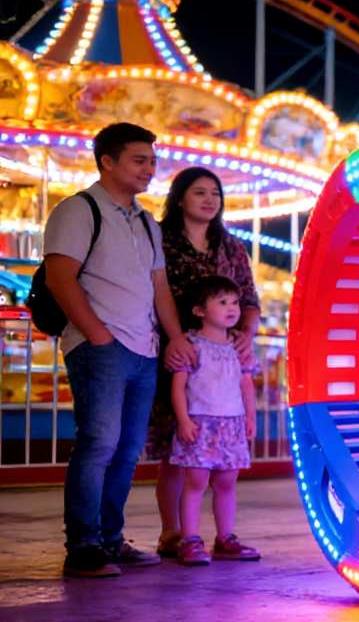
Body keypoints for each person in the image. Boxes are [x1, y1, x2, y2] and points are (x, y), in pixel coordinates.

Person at [43, 123, 195, 578]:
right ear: (107, 161)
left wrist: (175, 337)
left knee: (128, 450)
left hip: (144, 349)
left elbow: (160, 288)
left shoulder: (146, 221)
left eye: (152, 160)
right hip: (102, 347)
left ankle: (111, 538)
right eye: (139, 160)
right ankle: (84, 544)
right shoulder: (78, 210)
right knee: (98, 443)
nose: (150, 169)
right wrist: (97, 334)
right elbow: (60, 277)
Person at [145, 167, 260, 558]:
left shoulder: (231, 247)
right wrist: (175, 338)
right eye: (199, 193)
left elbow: (249, 299)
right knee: (176, 452)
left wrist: (246, 334)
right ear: (180, 198)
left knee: (220, 469)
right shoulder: (160, 241)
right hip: (173, 349)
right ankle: (174, 533)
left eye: (215, 193)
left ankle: (221, 535)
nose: (209, 200)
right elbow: (152, 295)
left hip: (221, 355)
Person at [169, 276, 260, 566]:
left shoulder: (239, 347)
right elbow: (178, 385)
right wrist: (183, 419)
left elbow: (246, 385)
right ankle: (190, 539)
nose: (231, 308)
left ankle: (225, 537)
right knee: (195, 481)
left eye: (234, 302)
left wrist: (250, 417)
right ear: (199, 311)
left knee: (227, 482)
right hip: (200, 422)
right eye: (222, 302)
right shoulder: (191, 345)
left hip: (231, 423)